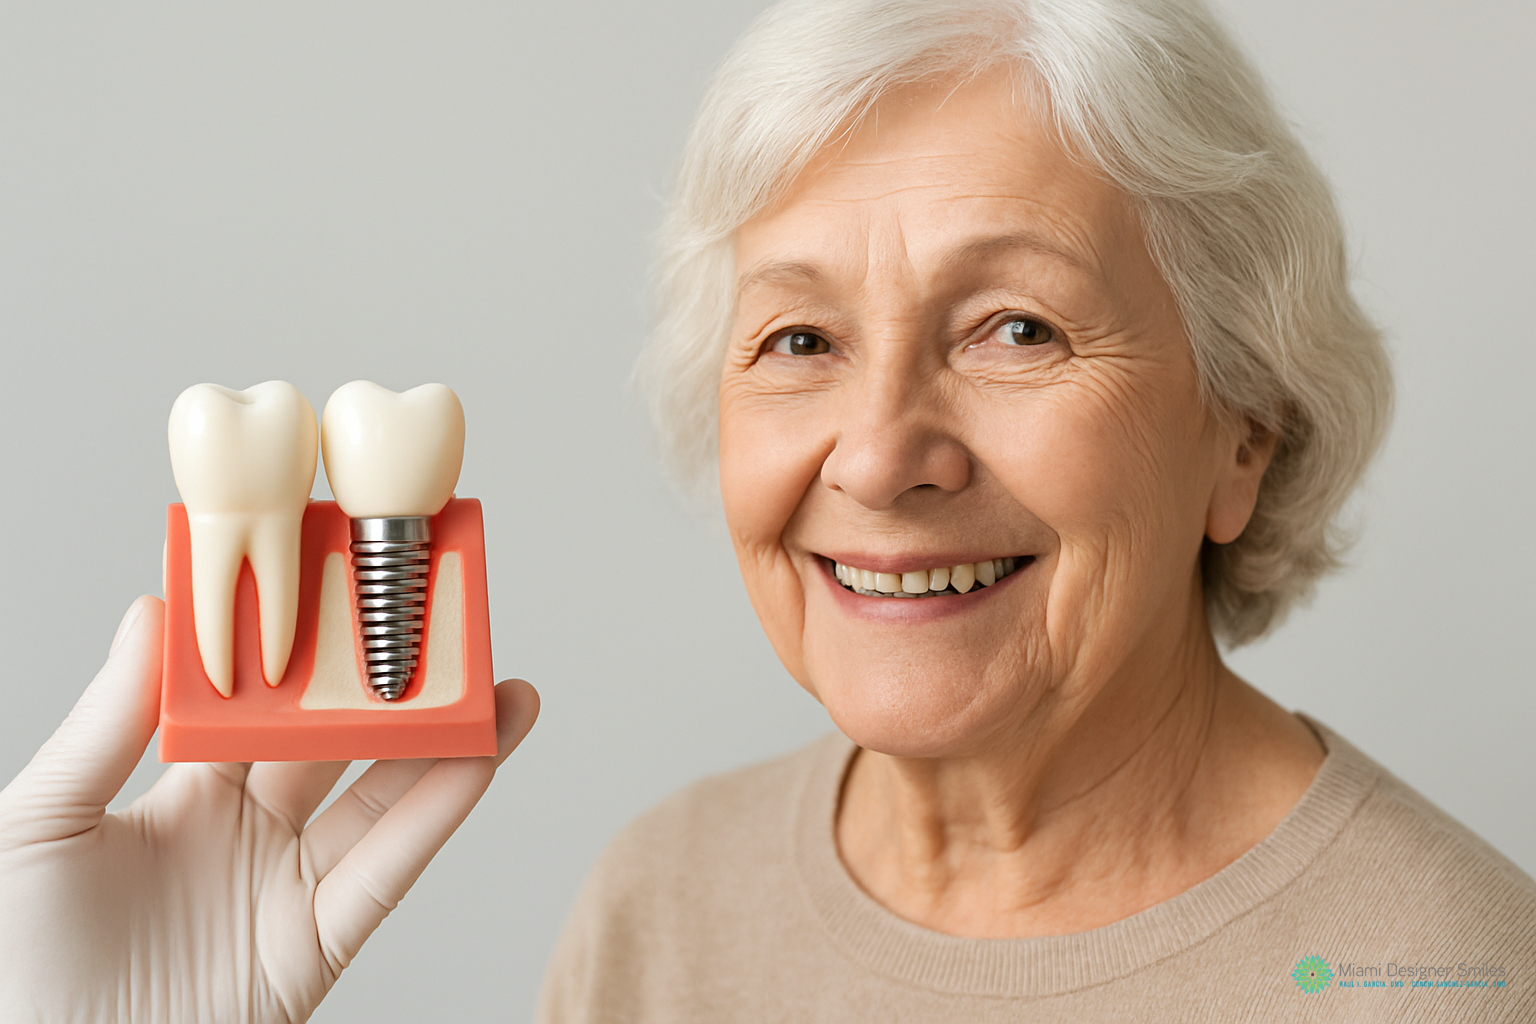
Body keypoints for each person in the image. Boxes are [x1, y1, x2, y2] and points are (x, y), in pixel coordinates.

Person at [2, 0, 1532, 1021]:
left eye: (1016, 328)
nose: (878, 456)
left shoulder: (1450, 976)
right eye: (800, 339)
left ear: (1243, 433)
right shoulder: (664, 913)